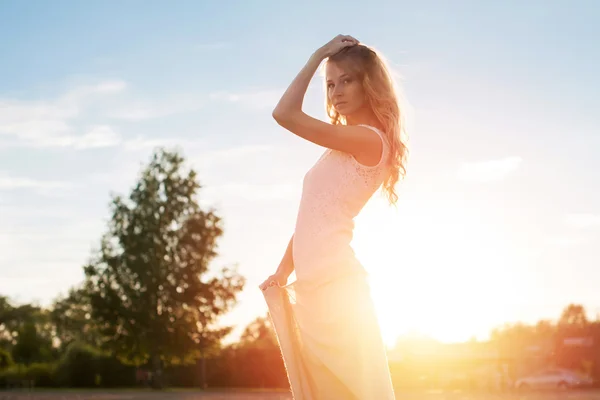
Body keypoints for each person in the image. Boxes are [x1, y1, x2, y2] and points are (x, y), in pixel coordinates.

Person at [259, 34, 408, 399]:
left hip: (337, 290)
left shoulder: (369, 140)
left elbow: (284, 115)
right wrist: (283, 270)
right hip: (314, 289)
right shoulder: (343, 143)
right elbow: (314, 214)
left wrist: (316, 57)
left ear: (369, 84)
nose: (336, 92)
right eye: (330, 83)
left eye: (347, 80)